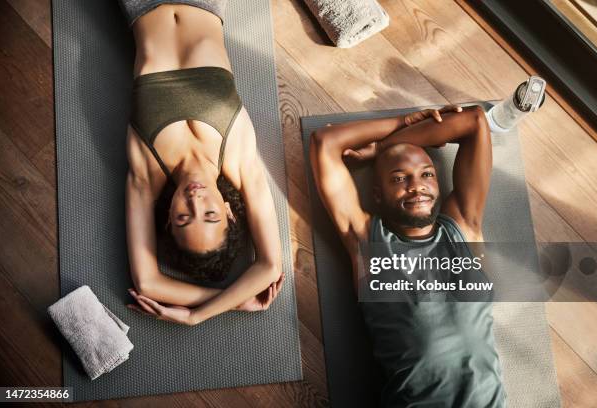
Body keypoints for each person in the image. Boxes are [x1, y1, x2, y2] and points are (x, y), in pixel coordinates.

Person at [309, 105, 506, 407]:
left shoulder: (463, 227)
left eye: (427, 174)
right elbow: (325, 142)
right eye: (399, 179)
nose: (417, 186)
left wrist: (383, 146)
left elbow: (474, 120)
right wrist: (400, 123)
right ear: (377, 194)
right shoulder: (368, 243)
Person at [121, 1, 284, 325]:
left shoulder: (146, 173)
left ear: (168, 219)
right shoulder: (240, 161)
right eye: (210, 215)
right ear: (228, 211)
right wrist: (222, 306)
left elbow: (147, 283)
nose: (195, 201)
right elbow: (270, 267)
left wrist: (198, 314)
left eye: (183, 218)